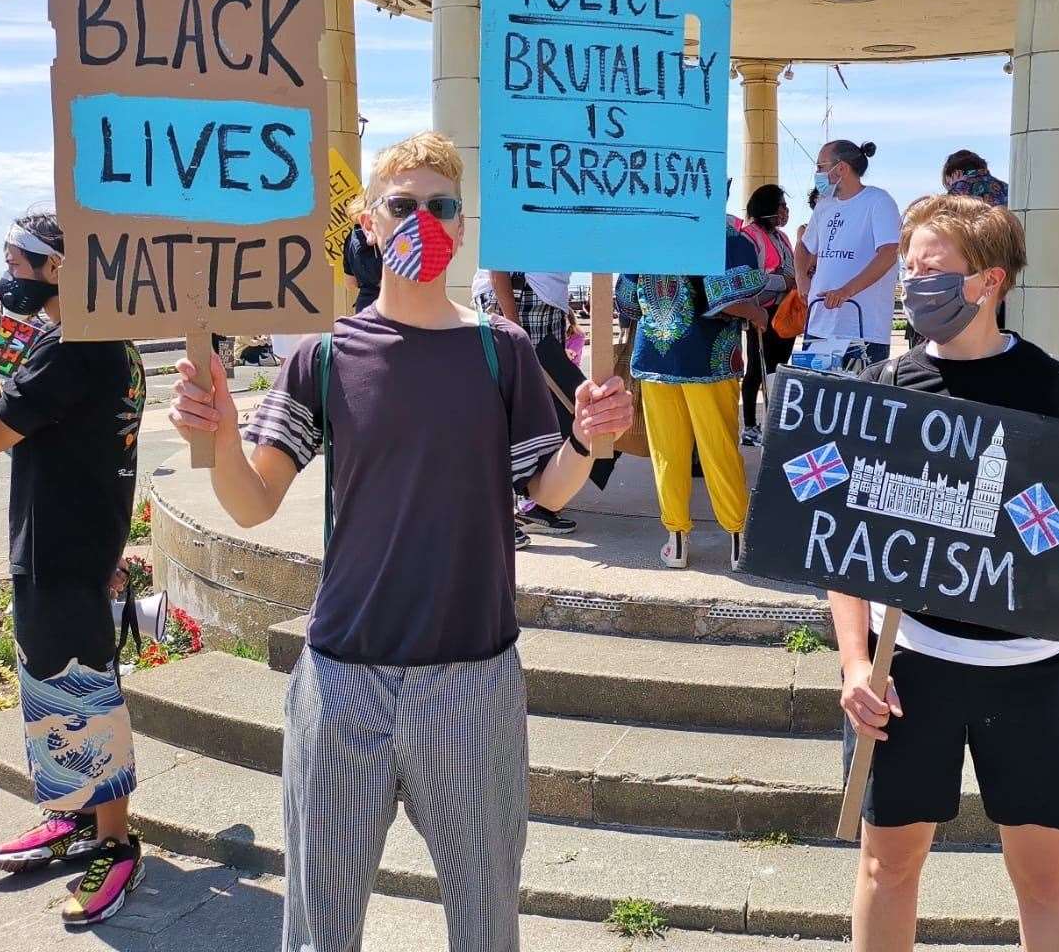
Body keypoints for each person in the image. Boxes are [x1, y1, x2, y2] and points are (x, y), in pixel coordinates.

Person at [167, 132, 632, 952]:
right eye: (404, 205)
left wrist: (588, 440)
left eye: (443, 206)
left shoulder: (503, 350)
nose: (425, 220)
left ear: (462, 222)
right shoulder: (324, 356)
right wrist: (224, 433)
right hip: (342, 677)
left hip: (473, 680)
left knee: (485, 923)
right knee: (320, 928)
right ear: (369, 221)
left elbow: (546, 488)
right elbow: (251, 504)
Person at [831, 194, 1059, 952]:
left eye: (931, 268)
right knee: (886, 867)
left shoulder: (1058, 389)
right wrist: (854, 667)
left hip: (1035, 674)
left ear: (988, 281)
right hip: (909, 672)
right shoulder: (884, 387)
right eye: (907, 267)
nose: (911, 283)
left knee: (1045, 876)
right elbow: (846, 553)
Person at [0, 212, 147, 925]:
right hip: (76, 543)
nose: (10, 274)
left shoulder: (73, 345)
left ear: (59, 267)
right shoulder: (107, 342)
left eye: (19, 261)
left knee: (84, 693)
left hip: (62, 548)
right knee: (57, 686)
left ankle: (116, 841)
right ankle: (77, 815)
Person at [616, 226, 767, 570]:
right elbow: (730, 299)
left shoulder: (645, 236)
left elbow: (626, 300)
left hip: (656, 357)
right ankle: (738, 540)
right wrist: (759, 315)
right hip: (709, 358)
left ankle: (676, 541)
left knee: (667, 453)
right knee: (719, 449)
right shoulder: (726, 235)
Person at [475, 268, 621, 540]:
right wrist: (514, 328)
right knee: (513, 406)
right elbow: (499, 264)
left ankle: (530, 504)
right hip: (520, 299)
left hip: (541, 301)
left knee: (544, 407)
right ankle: (509, 510)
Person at [798, 140, 902, 361]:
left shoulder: (878, 201)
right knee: (816, 393)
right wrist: (802, 281)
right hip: (819, 324)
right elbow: (804, 246)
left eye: (820, 166)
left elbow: (889, 253)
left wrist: (846, 291)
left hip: (863, 327)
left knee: (861, 393)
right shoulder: (824, 205)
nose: (817, 173)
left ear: (842, 168)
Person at [739, 185, 798, 445]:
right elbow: (751, 277)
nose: (785, 211)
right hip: (760, 312)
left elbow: (792, 268)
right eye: (781, 205)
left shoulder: (782, 237)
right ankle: (750, 426)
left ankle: (774, 422)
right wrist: (783, 282)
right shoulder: (748, 236)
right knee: (756, 369)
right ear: (767, 207)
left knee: (779, 369)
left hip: (785, 312)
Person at [942, 149, 1009, 208]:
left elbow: (945, 216)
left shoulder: (958, 192)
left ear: (956, 173)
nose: (947, 183)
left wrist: (955, 187)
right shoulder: (1005, 187)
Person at [341, 219, 383, 313]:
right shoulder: (392, 232)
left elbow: (350, 283)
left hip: (365, 306)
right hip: (392, 305)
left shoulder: (350, 238)